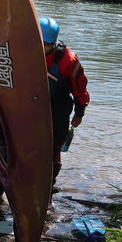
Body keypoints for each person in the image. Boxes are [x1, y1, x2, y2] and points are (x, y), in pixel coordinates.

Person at [40, 16, 90, 183]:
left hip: (57, 110)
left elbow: (80, 89)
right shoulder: (22, 51)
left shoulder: (69, 60)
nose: (41, 48)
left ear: (53, 43)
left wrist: (79, 113)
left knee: (53, 149)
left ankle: (48, 188)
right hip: (30, 107)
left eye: (46, 45)